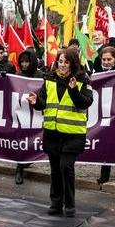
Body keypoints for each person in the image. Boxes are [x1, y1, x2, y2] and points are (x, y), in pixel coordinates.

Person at [27, 48, 93, 217]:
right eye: (60, 62)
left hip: (72, 134)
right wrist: (36, 102)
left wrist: (73, 90)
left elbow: (85, 103)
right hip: (52, 133)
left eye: (66, 62)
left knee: (66, 167)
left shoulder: (82, 80)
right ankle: (56, 203)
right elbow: (43, 103)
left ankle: (69, 204)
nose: (62, 65)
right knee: (56, 170)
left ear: (73, 63)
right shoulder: (49, 78)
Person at [94, 46, 115, 185]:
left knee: (109, 141)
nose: (106, 62)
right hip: (99, 110)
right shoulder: (95, 72)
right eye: (104, 59)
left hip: (114, 111)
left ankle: (105, 172)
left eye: (109, 59)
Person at [13, 49, 43, 185]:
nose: (24, 64)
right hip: (22, 113)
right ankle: (19, 169)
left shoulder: (41, 76)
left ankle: (28, 161)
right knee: (22, 141)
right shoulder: (18, 75)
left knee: (35, 140)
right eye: (22, 62)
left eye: (27, 61)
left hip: (36, 113)